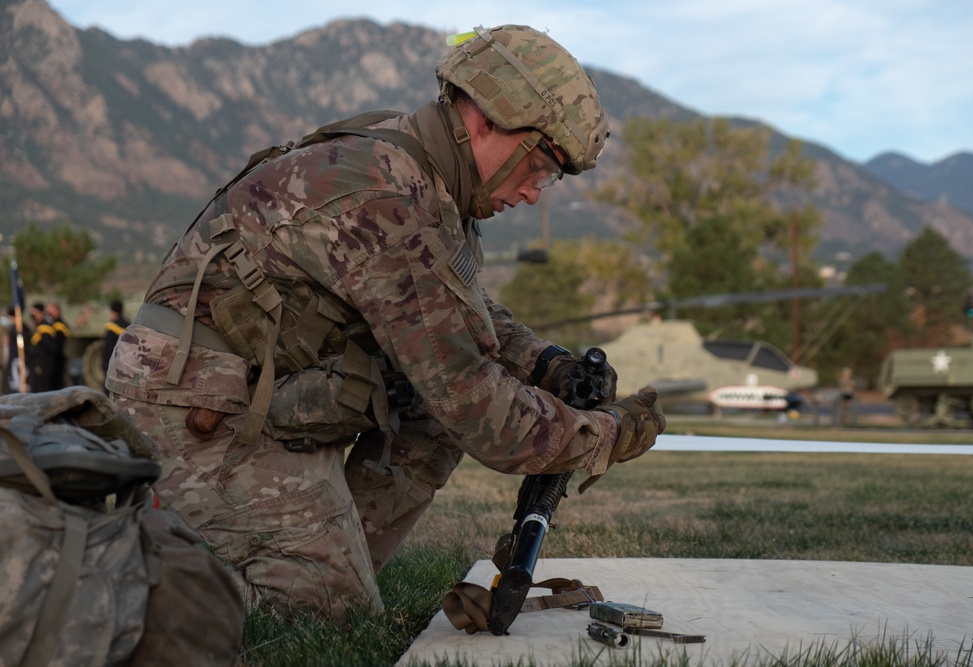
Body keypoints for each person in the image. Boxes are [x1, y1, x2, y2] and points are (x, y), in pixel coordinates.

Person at [106, 24, 665, 624]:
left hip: (253, 389)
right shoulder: (389, 199)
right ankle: (108, 592)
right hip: (194, 404)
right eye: (543, 167)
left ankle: (320, 558)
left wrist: (544, 362)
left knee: (422, 420)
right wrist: (602, 434)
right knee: (328, 608)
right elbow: (477, 406)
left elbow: (460, 313)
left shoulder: (424, 176)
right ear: (490, 121)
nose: (534, 193)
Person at [27, 302, 60, 392]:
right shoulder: (38, 327)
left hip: (42, 365)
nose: (32, 315)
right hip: (36, 364)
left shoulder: (45, 328)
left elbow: (49, 347)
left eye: (34, 312)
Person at [103, 299, 130, 378]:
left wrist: (104, 365)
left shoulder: (111, 327)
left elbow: (109, 348)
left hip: (113, 363)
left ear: (113, 311)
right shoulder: (128, 325)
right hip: (125, 363)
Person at [45, 301, 70, 389]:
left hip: (58, 359)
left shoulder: (59, 325)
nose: (48, 313)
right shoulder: (54, 324)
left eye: (50, 310)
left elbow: (58, 344)